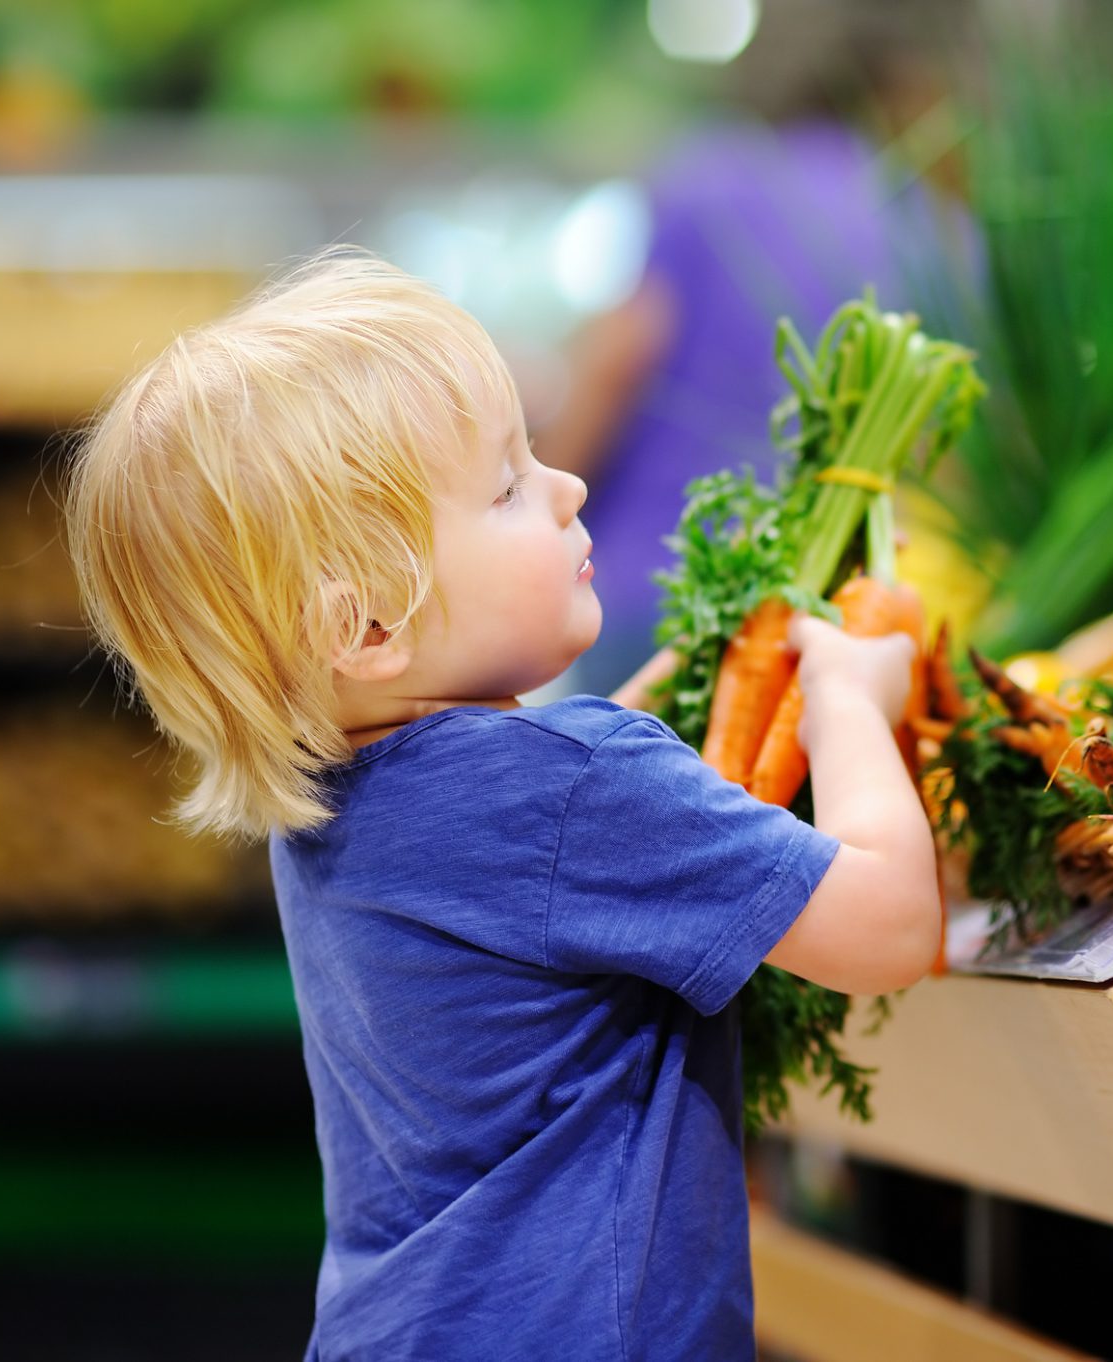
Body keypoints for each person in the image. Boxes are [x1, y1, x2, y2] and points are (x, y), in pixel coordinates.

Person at [64, 251, 939, 1360]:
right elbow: (888, 926)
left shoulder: (335, 809)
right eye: (510, 486)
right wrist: (848, 701)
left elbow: (532, 857)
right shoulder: (571, 784)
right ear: (370, 628)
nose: (568, 487)